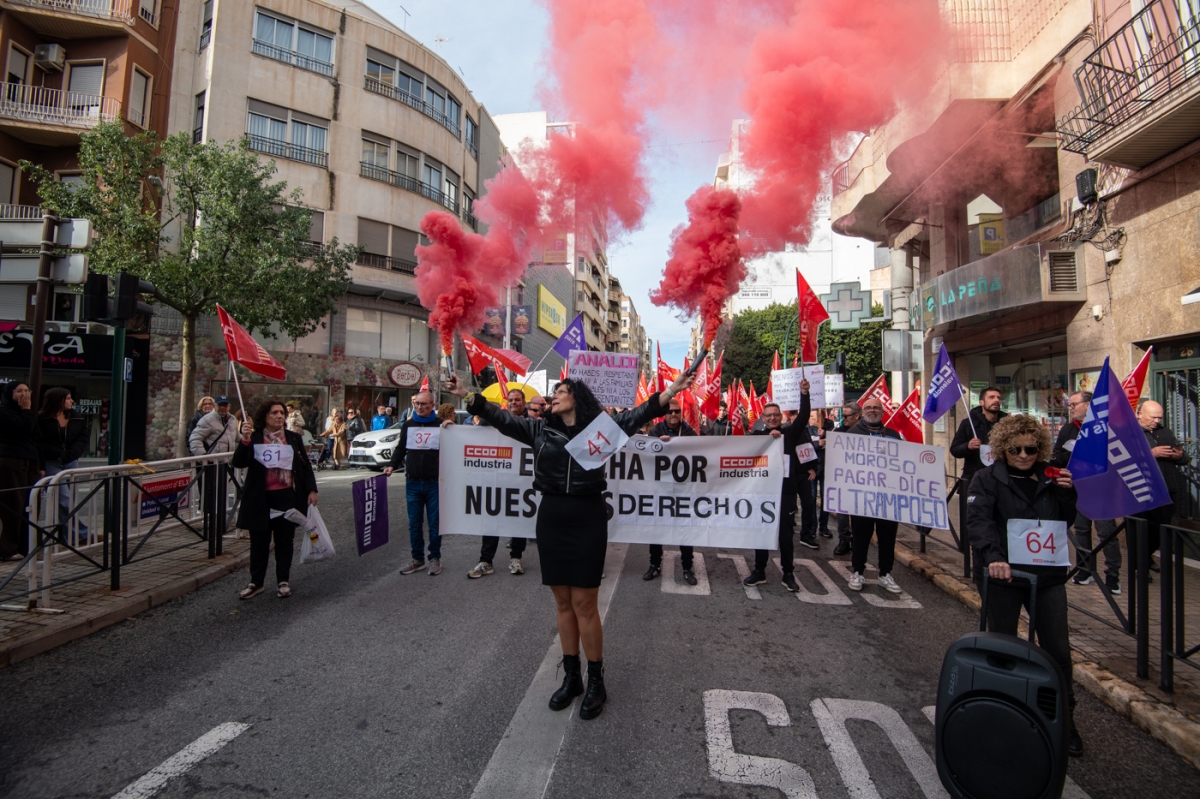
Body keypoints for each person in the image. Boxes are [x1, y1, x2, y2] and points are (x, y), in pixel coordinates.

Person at [447, 369, 693, 720]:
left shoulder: (601, 430)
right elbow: (499, 417)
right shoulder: (538, 428)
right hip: (551, 517)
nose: (554, 396)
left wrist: (672, 390)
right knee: (562, 602)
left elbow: (641, 412)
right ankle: (572, 677)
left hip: (587, 516)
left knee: (584, 604)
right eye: (554, 392)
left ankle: (596, 682)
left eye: (561, 391)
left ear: (576, 397)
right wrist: (467, 394)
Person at [965, 413, 1082, 756]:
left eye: (1031, 449)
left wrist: (1067, 494)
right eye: (1016, 448)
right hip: (1003, 575)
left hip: (1046, 577)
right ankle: (1000, 713)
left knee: (1058, 650)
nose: (1023, 455)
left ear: (1040, 448)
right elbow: (979, 521)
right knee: (1002, 647)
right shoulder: (986, 479)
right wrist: (993, 557)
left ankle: (1064, 719)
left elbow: (1064, 521)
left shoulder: (1051, 476)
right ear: (1003, 447)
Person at [232, 400, 319, 600]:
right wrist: (244, 441)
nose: (280, 416)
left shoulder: (293, 438)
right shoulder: (254, 438)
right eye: (274, 413)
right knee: (259, 542)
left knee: (284, 541)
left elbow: (305, 467)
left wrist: (311, 490)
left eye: (282, 413)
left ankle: (283, 581)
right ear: (265, 416)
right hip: (260, 497)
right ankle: (256, 582)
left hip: (286, 496)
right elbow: (239, 462)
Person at [743, 386, 818, 592]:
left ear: (781, 417)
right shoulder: (756, 436)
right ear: (763, 417)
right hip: (762, 494)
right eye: (769, 415)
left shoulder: (790, 433)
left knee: (785, 535)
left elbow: (803, 416)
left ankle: (788, 573)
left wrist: (804, 395)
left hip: (785, 493)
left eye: (776, 415)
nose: (773, 418)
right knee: (762, 532)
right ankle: (759, 571)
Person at [1051, 391, 1121, 593]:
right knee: (1081, 530)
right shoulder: (1067, 429)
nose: (1070, 408)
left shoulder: (1106, 428)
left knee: (1106, 532)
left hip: (1101, 489)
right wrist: (1074, 451)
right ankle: (1084, 570)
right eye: (1069, 405)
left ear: (1088, 405)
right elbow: (1057, 457)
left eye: (1074, 404)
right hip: (1077, 487)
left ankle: (1113, 576)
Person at [469, 387, 531, 578]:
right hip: (497, 480)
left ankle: (516, 558)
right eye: (511, 400)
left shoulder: (533, 423)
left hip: (522, 481)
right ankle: (486, 560)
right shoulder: (493, 420)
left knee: (519, 519)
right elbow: (474, 437)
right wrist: (451, 427)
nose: (514, 403)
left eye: (518, 400)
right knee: (492, 519)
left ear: (524, 402)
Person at [846, 397, 904, 593]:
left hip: (888, 497)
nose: (872, 410)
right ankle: (858, 571)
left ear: (883, 411)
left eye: (876, 407)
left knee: (888, 536)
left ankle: (885, 573)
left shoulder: (894, 436)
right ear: (862, 412)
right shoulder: (851, 434)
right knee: (861, 535)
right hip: (862, 497)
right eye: (868, 407)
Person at [384, 391, 444, 576]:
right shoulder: (408, 424)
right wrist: (392, 465)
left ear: (432, 405)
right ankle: (417, 560)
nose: (420, 407)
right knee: (414, 523)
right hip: (412, 482)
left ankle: (435, 558)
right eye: (417, 403)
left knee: (435, 523)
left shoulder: (441, 425)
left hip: (434, 482)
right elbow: (401, 448)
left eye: (424, 404)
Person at [643, 397, 699, 585]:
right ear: (664, 414)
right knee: (656, 529)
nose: (673, 414)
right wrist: (659, 445)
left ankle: (687, 567)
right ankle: (654, 564)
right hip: (660, 489)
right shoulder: (655, 431)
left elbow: (700, 454)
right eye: (669, 412)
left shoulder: (690, 433)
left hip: (683, 490)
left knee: (685, 530)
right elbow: (645, 457)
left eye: (677, 411)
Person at [1130, 400, 1188, 578]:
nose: (1156, 421)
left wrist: (1179, 455)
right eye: (1153, 417)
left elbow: (1184, 458)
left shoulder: (1165, 432)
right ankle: (1139, 567)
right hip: (1141, 490)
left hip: (1165, 489)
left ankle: (1146, 558)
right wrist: (1151, 454)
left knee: (1159, 529)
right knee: (1140, 530)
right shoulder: (1130, 432)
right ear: (1140, 414)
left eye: (1159, 417)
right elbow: (1124, 459)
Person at [37, 388, 91, 544]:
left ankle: (65, 536)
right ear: (58, 401)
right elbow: (39, 442)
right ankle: (82, 534)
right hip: (51, 462)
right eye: (68, 398)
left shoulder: (76, 417)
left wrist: (70, 454)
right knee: (63, 499)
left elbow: (83, 438)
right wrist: (58, 453)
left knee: (70, 501)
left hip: (71, 461)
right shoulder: (42, 419)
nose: (72, 401)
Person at [0, 382, 41, 560]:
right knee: (14, 504)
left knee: (31, 504)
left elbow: (35, 436)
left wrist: (40, 466)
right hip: (11, 460)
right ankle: (8, 548)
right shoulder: (4, 411)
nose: (24, 395)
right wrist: (26, 410)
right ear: (10, 394)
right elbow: (23, 428)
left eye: (26, 391)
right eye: (19, 391)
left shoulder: (27, 413)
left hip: (30, 461)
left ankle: (27, 545)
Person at [831, 403, 862, 557]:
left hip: (862, 480)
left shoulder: (866, 432)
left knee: (859, 513)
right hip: (843, 479)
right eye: (842, 416)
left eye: (846, 416)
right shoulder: (839, 431)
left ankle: (857, 541)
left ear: (857, 416)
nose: (843, 419)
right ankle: (844, 540)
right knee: (843, 513)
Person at [809, 409, 835, 538]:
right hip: (812, 468)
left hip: (827, 468)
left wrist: (826, 436)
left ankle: (823, 526)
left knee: (826, 498)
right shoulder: (806, 429)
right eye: (810, 416)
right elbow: (803, 447)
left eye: (814, 416)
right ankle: (812, 526)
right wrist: (816, 444)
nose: (811, 419)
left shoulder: (831, 429)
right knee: (811, 498)